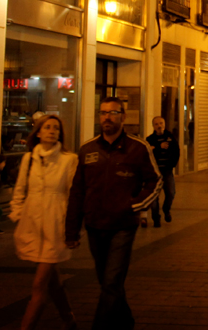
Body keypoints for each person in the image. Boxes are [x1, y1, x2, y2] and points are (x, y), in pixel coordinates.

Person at [66, 98, 161, 330]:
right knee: (108, 282)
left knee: (110, 281)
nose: (107, 117)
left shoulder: (138, 148)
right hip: (95, 226)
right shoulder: (88, 149)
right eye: (103, 113)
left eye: (113, 113)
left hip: (123, 225)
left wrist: (135, 206)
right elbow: (77, 190)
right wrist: (72, 229)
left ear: (123, 117)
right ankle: (125, 320)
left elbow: (155, 181)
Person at [11, 115, 79, 330]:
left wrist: (73, 227)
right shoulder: (28, 159)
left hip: (55, 226)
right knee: (53, 282)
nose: (52, 131)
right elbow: (20, 190)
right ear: (38, 132)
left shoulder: (69, 160)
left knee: (39, 285)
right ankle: (69, 318)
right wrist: (18, 214)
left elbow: (73, 195)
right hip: (32, 225)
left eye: (56, 128)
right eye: (47, 127)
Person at [146, 116, 180, 227]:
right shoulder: (150, 140)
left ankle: (166, 209)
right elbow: (147, 154)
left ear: (164, 124)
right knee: (154, 197)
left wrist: (172, 165)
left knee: (170, 193)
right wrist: (158, 147)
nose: (159, 126)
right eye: (156, 124)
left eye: (161, 123)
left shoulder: (170, 137)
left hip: (167, 171)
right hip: (154, 173)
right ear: (153, 126)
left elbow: (176, 152)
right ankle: (156, 218)